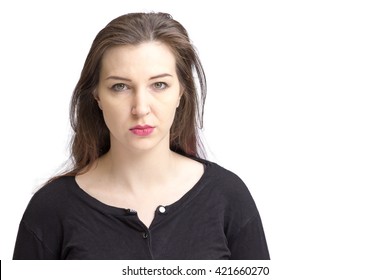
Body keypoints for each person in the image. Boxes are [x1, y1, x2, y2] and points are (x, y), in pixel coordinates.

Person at [13, 12, 270, 260]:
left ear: (181, 92)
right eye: (120, 86)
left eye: (159, 85)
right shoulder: (50, 210)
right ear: (97, 96)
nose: (141, 108)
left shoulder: (228, 197)